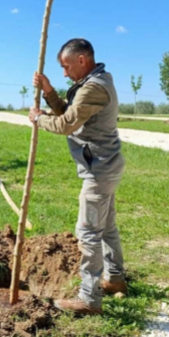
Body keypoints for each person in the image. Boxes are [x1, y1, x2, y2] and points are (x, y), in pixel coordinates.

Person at [30, 38, 126, 316]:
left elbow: (65, 124)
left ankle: (89, 299)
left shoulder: (94, 87)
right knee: (106, 227)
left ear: (82, 60)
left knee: (88, 233)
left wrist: (37, 118)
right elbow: (70, 113)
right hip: (106, 165)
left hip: (99, 170)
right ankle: (115, 279)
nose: (64, 73)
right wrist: (49, 92)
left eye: (66, 66)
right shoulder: (96, 82)